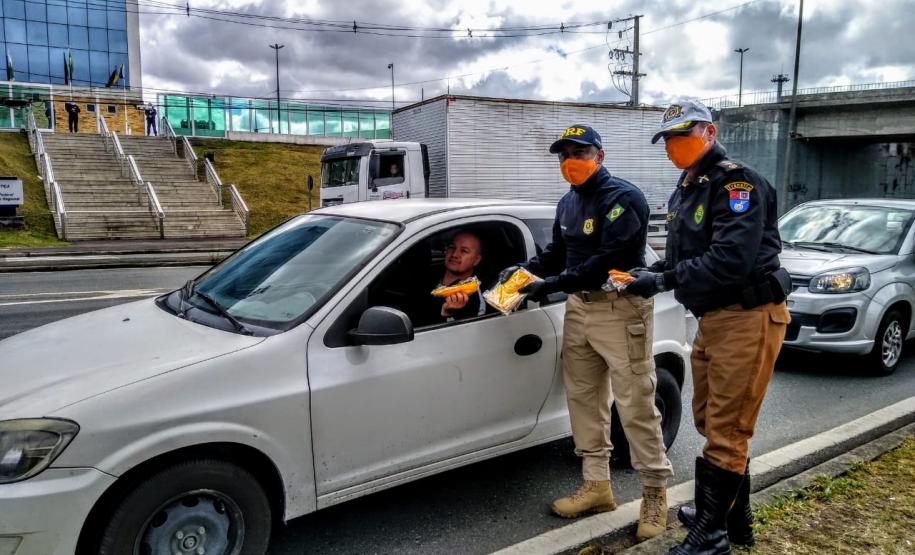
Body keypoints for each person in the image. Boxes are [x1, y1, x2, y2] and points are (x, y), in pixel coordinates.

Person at [626, 100, 791, 555]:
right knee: (710, 420)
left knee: (727, 430)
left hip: (747, 315)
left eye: (683, 135)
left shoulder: (737, 182)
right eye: (668, 140)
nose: (673, 146)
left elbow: (730, 260)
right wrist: (647, 272)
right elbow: (684, 257)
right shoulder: (688, 187)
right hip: (714, 318)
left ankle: (711, 538)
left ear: (709, 131)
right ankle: (733, 518)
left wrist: (662, 279)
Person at [500, 125, 673, 541]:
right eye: (564, 154)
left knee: (635, 404)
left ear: (600, 154)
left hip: (620, 308)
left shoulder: (623, 199)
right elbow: (556, 254)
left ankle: (654, 492)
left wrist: (551, 285)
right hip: (579, 309)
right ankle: (597, 485)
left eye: (579, 152)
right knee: (584, 399)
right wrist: (525, 274)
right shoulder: (567, 202)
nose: (570, 161)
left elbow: (605, 260)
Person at [413, 230, 486, 327]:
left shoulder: (473, 299)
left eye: (464, 251)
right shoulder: (426, 276)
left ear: (476, 260)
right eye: (452, 247)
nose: (455, 254)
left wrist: (448, 314)